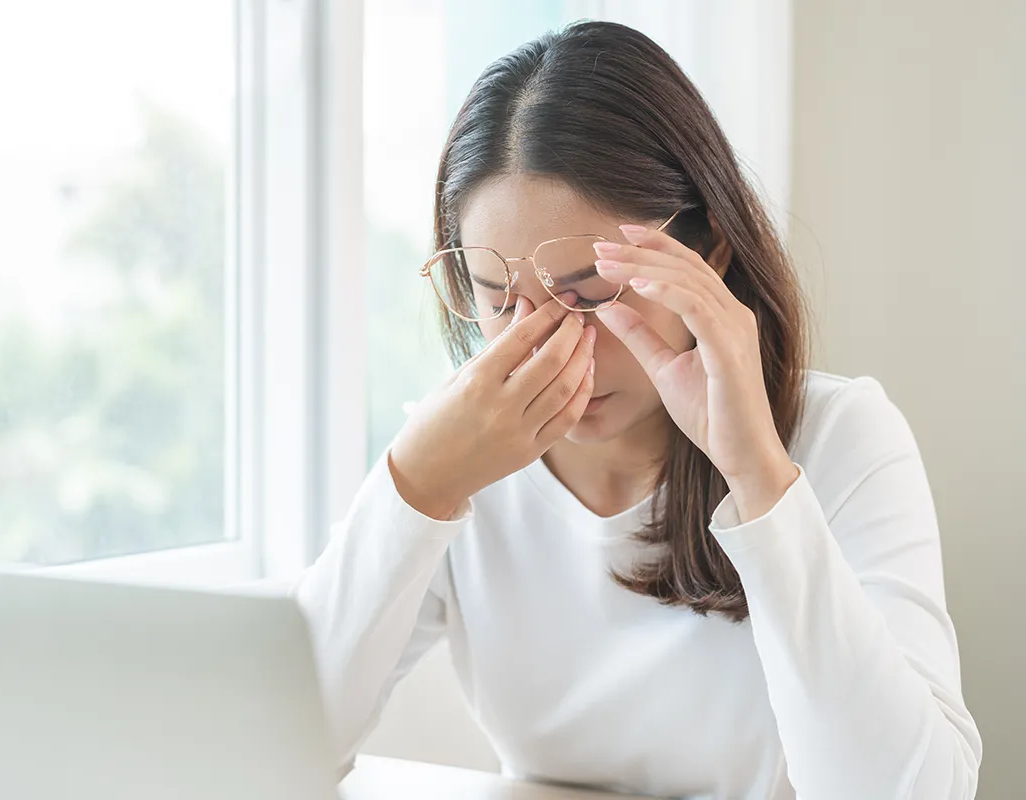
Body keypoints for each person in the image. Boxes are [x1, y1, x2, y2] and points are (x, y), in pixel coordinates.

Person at [293, 20, 980, 800]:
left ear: (709, 252)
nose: (548, 342)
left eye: (591, 292)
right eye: (499, 299)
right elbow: (277, 742)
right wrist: (416, 487)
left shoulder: (840, 439)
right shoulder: (461, 455)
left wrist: (759, 477)